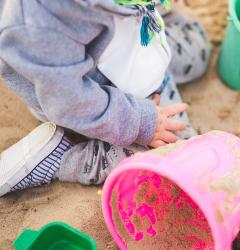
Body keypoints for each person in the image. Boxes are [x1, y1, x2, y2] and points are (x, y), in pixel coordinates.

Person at [0, 0, 211, 196]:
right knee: (177, 157)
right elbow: (72, 104)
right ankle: (63, 158)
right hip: (102, 103)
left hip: (136, 43)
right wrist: (141, 123)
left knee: (197, 50)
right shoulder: (38, 22)